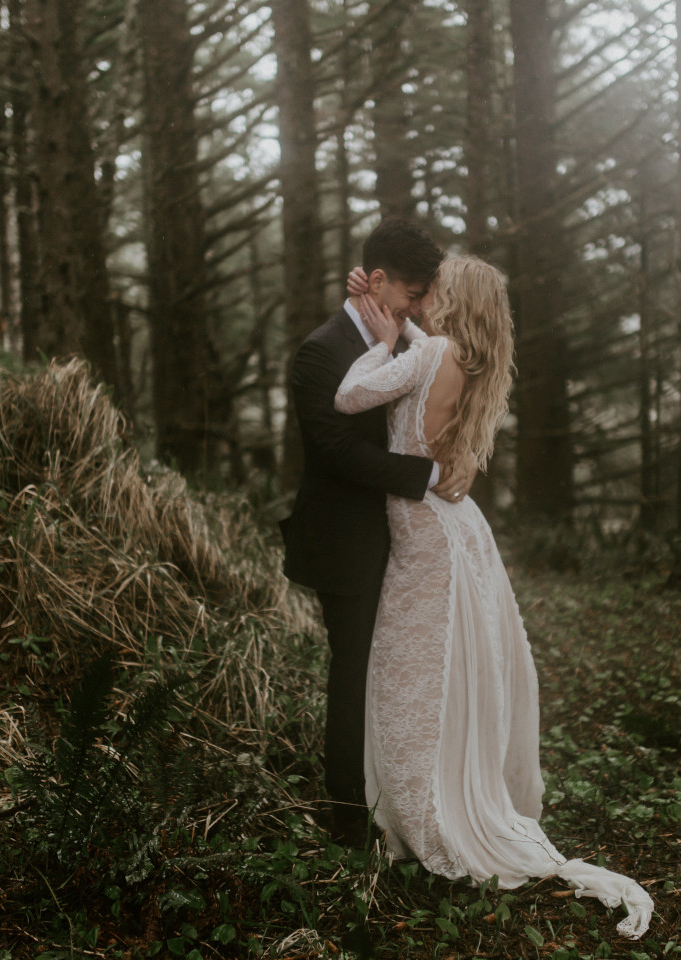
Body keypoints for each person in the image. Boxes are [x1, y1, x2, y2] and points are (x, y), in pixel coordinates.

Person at [335, 255, 654, 939]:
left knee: (410, 674)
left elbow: (350, 397)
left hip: (423, 528)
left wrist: (382, 340)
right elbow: (427, 365)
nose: (423, 293)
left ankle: (422, 810)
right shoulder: (470, 361)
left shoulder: (431, 352)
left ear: (451, 299)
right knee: (440, 670)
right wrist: (392, 320)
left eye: (434, 287)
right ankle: (438, 791)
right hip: (453, 526)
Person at [280, 218, 474, 843]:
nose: (421, 307)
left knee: (400, 672)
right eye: (414, 294)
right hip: (348, 542)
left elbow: (443, 388)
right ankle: (347, 818)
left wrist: (463, 459)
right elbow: (336, 451)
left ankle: (404, 798)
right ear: (381, 281)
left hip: (407, 541)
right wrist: (428, 474)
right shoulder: (320, 352)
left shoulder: (410, 336)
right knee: (355, 672)